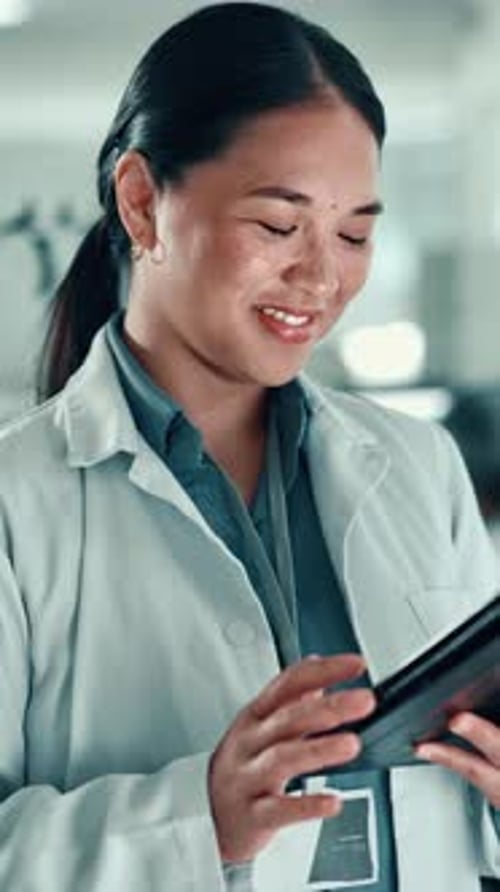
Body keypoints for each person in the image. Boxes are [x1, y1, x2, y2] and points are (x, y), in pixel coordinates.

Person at [0, 3, 498, 890]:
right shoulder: (17, 499)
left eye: (354, 234)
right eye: (278, 225)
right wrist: (201, 819)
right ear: (143, 201)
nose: (322, 276)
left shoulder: (420, 466)